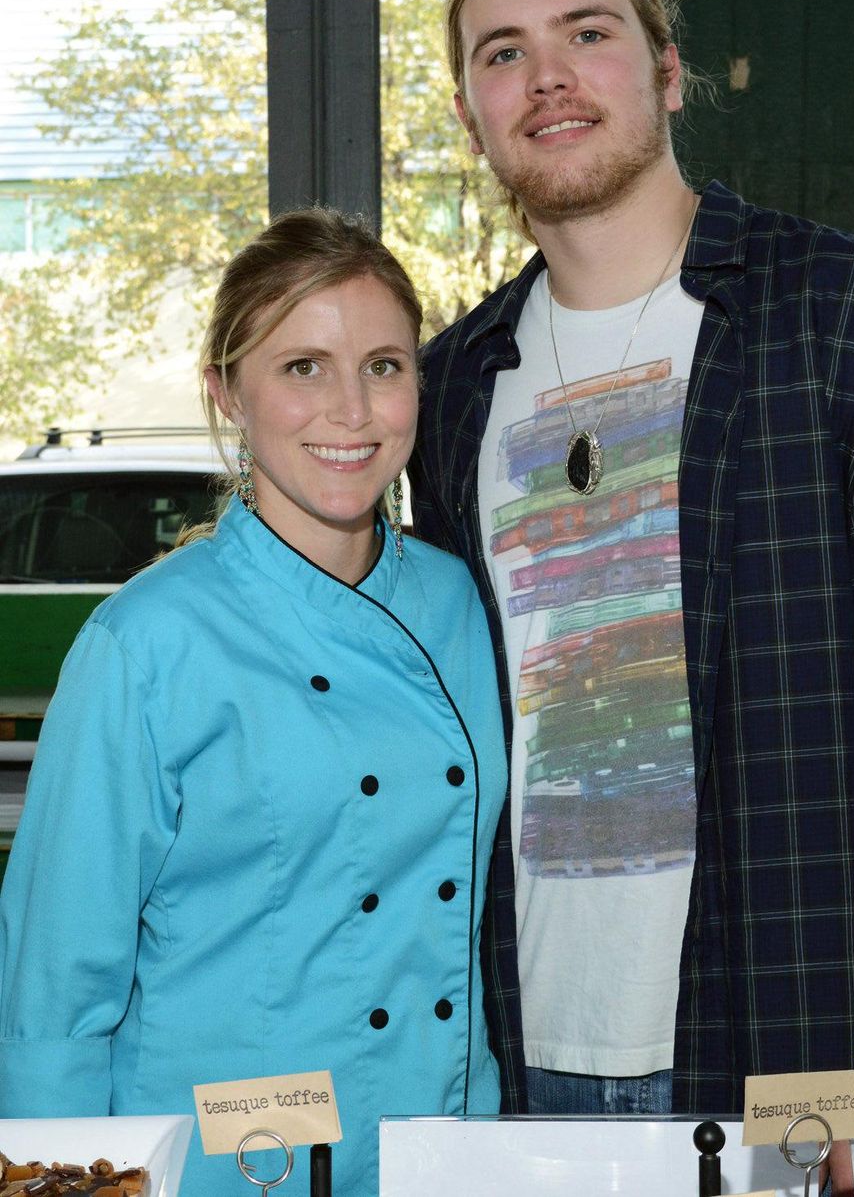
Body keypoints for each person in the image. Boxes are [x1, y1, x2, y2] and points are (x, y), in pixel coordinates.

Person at [408, 0, 854, 1187]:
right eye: (502, 53)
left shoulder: (853, 315)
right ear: (469, 117)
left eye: (586, 33)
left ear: (667, 71)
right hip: (510, 1060)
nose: (546, 76)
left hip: (788, 1050)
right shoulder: (449, 387)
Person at [0, 208, 508, 1197]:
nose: (351, 410)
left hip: (438, 1143)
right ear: (226, 389)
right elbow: (54, 984)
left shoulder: (455, 600)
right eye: (302, 366)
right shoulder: (146, 640)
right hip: (232, 1162)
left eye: (384, 365)